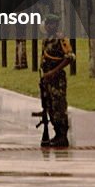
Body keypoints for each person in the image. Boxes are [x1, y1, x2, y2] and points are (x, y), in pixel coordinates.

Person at [39, 14, 75, 148]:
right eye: (47, 24)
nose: (48, 26)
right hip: (47, 80)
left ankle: (62, 136)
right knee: (50, 106)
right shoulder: (47, 39)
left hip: (57, 80)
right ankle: (56, 133)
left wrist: (53, 72)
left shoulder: (61, 39)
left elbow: (70, 57)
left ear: (56, 25)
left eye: (51, 24)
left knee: (59, 106)